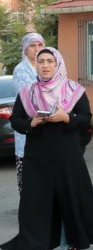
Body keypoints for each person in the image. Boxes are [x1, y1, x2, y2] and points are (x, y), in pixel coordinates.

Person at [1, 47, 93, 250]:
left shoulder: (74, 89)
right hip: (37, 158)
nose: (45, 65)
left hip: (67, 156)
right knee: (34, 203)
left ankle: (71, 240)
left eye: (50, 61)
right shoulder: (28, 92)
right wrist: (31, 122)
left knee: (69, 199)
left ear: (57, 63)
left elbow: (86, 118)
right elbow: (16, 121)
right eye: (41, 61)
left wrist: (66, 117)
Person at [11, 32, 45, 192]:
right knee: (28, 180)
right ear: (26, 49)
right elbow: (31, 97)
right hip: (27, 127)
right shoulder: (20, 70)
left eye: (40, 45)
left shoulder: (47, 65)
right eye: (33, 45)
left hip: (46, 128)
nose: (37, 49)